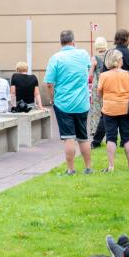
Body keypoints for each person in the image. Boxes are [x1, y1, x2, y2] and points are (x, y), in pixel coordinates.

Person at [44, 30, 93, 175]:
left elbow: (49, 83)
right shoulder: (83, 54)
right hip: (82, 103)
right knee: (83, 137)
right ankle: (88, 168)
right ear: (73, 41)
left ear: (61, 42)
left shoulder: (56, 58)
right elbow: (89, 70)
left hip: (63, 103)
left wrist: (52, 98)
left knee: (68, 138)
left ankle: (71, 169)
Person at [90, 29, 129, 148]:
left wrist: (104, 92)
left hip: (110, 94)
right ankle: (125, 141)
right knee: (128, 116)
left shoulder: (110, 54)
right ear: (126, 39)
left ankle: (96, 142)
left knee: (105, 117)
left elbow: (103, 74)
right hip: (126, 93)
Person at [97, 49, 129, 172]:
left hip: (109, 109)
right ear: (118, 61)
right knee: (127, 137)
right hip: (125, 109)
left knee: (111, 137)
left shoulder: (104, 75)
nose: (122, 60)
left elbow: (99, 93)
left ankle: (111, 166)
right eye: (121, 58)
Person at [88, 38, 108, 135]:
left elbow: (91, 74)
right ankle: (108, 128)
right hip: (108, 83)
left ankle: (95, 130)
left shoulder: (94, 58)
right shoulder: (110, 55)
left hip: (98, 84)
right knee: (107, 106)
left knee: (96, 108)